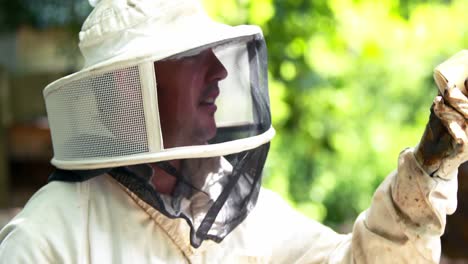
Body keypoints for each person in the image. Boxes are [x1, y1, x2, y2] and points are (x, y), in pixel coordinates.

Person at [0, 0, 467, 263]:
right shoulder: (45, 242)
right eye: (190, 58)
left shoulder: (235, 205)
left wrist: (428, 166)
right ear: (128, 90)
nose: (218, 73)